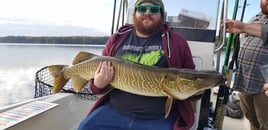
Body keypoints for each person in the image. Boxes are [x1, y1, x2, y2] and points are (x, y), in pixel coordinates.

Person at [78, 0, 200, 130]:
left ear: (162, 15)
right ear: (135, 13)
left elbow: (190, 78)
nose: (147, 13)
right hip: (113, 112)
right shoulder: (117, 38)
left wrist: (199, 89)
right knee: (84, 127)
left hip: (157, 118)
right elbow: (97, 89)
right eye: (142, 9)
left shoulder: (177, 41)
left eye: (154, 10)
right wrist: (98, 84)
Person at [222, 0, 268, 129]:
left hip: (263, 85)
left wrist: (243, 27)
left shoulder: (249, 24)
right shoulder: (255, 18)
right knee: (253, 121)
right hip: (245, 81)